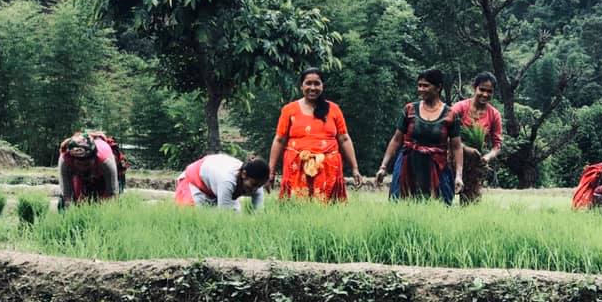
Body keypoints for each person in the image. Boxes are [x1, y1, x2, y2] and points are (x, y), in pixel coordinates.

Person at [267, 68, 362, 202]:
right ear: (301, 86)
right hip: (296, 168)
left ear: (322, 86)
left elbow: (344, 139)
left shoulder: (334, 109)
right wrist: (270, 171)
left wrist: (355, 168)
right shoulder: (289, 110)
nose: (312, 88)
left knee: (329, 208)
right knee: (295, 207)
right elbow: (279, 140)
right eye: (308, 83)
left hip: (328, 169)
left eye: (317, 83)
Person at [376, 69, 464, 204]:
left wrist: (458, 175)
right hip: (408, 165)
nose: (421, 89)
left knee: (438, 205)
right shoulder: (409, 109)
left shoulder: (451, 115)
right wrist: (383, 167)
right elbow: (397, 139)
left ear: (438, 87)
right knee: (402, 203)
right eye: (419, 85)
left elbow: (456, 146)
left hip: (437, 166)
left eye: (426, 86)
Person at [451, 71, 503, 204]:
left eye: (489, 91)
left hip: (475, 163)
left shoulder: (494, 114)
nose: (485, 94)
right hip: (451, 158)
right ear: (474, 87)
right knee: (443, 200)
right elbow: (445, 134)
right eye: (482, 89)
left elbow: (497, 145)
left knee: (470, 204)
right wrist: (465, 148)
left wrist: (488, 157)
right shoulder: (459, 108)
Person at [174, 155, 269, 211]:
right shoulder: (227, 181)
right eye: (253, 185)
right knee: (196, 218)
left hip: (215, 184)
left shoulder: (257, 184)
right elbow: (224, 217)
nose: (255, 189)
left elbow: (258, 213)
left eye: (259, 186)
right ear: (244, 174)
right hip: (194, 182)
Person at [58, 131, 122, 207]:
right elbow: (67, 194)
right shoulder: (65, 160)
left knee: (109, 201)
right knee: (72, 202)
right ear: (73, 160)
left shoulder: (106, 161)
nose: (83, 168)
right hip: (81, 175)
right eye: (79, 164)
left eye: (86, 164)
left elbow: (112, 194)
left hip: (102, 173)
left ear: (94, 158)